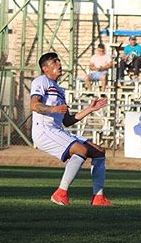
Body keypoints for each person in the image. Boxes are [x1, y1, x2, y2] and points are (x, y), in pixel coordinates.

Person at [30, 52, 113, 207]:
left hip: (56, 130)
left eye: (58, 60)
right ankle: (60, 193)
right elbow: (34, 105)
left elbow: (67, 121)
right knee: (81, 150)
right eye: (54, 62)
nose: (59, 64)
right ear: (45, 68)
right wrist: (53, 109)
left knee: (99, 151)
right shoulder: (41, 81)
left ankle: (98, 197)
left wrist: (89, 109)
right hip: (43, 130)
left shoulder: (59, 90)